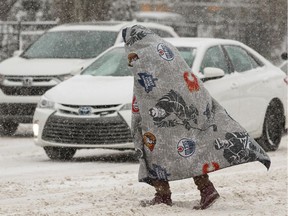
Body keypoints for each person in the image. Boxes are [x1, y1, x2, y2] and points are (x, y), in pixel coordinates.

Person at [122, 25, 271, 210]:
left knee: (156, 152)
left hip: (164, 116)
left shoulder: (143, 54)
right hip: (185, 110)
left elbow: (150, 84)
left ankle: (164, 194)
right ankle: (205, 190)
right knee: (193, 151)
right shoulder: (164, 48)